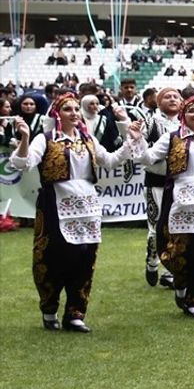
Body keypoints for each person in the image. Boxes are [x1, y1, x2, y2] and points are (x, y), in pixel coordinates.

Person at [10, 92, 144, 332]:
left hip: (87, 207)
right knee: (54, 258)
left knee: (84, 258)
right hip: (55, 204)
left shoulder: (88, 139)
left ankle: (75, 313)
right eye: (67, 109)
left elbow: (111, 161)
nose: (73, 113)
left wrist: (131, 141)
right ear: (57, 114)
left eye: (75, 109)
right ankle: (49, 308)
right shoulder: (46, 138)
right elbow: (23, 163)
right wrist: (25, 138)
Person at [137, 96, 194, 320]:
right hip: (178, 197)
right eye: (192, 111)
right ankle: (180, 284)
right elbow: (149, 158)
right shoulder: (171, 138)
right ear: (183, 116)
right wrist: (137, 139)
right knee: (175, 246)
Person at [141, 87, 184, 288]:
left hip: (178, 182)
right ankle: (152, 261)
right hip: (156, 181)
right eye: (167, 96)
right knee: (155, 229)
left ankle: (169, 270)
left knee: (175, 228)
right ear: (159, 102)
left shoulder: (186, 124)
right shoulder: (151, 122)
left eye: (176, 96)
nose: (172, 99)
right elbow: (140, 147)